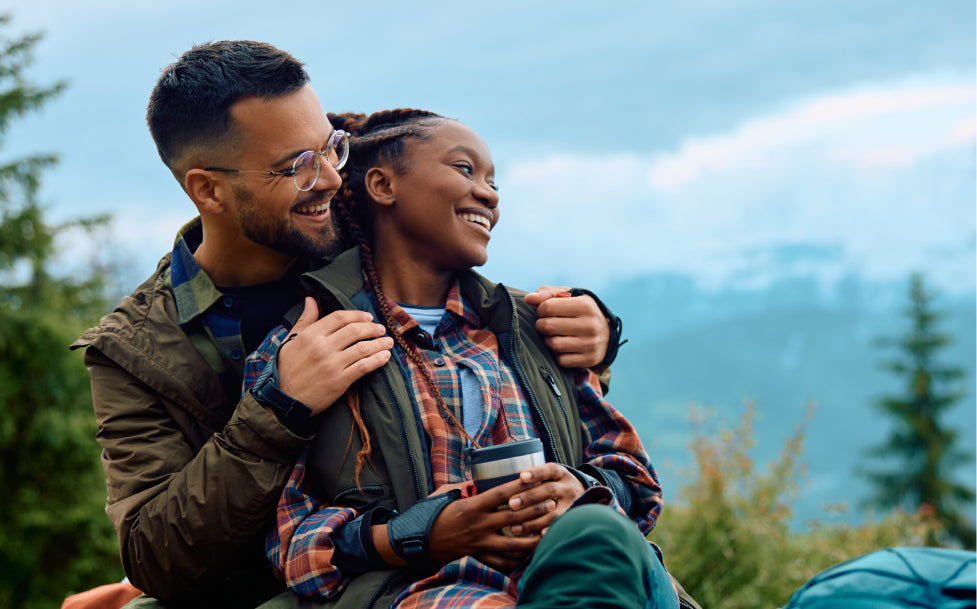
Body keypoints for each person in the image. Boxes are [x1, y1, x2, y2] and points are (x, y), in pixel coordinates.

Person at [70, 41, 622, 608]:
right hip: (297, 583)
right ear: (208, 188)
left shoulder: (363, 241)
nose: (331, 179)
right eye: (296, 167)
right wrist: (278, 409)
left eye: (331, 149)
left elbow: (478, 346)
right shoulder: (136, 351)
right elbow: (157, 558)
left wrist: (591, 334)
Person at [243, 109, 681, 608]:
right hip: (428, 594)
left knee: (599, 536)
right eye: (465, 169)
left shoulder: (536, 327)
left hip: (582, 570)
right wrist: (421, 534)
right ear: (383, 186)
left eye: (493, 181)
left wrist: (578, 489)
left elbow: (635, 481)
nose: (489, 195)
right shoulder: (308, 346)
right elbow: (290, 543)